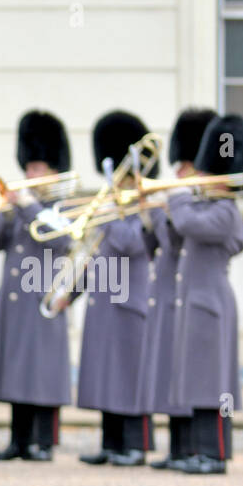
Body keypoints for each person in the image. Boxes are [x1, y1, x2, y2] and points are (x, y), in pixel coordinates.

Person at [163, 113, 243, 474]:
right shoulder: (205, 207)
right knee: (198, 381)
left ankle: (214, 454)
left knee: (215, 386)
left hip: (211, 304)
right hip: (196, 303)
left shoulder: (225, 211)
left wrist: (176, 199)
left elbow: (188, 224)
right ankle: (200, 451)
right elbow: (176, 236)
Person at [0, 110, 73, 461]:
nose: (31, 175)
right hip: (15, 299)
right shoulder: (20, 206)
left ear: (54, 171)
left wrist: (30, 207)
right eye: (29, 168)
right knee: (16, 370)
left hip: (44, 297)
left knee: (43, 370)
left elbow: (62, 242)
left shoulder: (61, 205)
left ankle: (44, 441)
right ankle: (18, 440)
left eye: (38, 169)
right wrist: (3, 212)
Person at [76, 110, 156, 467]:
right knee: (107, 372)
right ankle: (112, 444)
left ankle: (136, 445)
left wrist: (113, 212)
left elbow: (132, 244)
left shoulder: (142, 201)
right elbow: (95, 250)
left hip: (130, 298)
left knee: (130, 374)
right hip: (105, 296)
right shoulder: (112, 202)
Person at [144, 108, 216, 470]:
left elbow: (189, 230)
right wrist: (154, 214)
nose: (177, 172)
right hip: (174, 292)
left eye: (185, 165)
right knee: (172, 371)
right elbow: (167, 244)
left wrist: (171, 206)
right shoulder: (185, 199)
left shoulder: (210, 203)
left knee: (195, 374)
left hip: (196, 297)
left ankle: (196, 449)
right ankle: (178, 447)